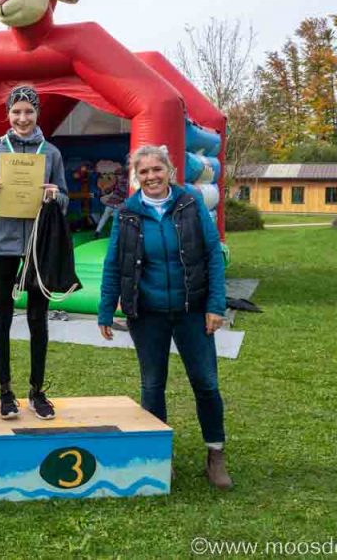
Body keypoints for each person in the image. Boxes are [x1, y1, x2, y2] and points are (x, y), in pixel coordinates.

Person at [97, 145, 232, 489]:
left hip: (193, 311)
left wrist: (216, 305)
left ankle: (215, 454)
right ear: (136, 177)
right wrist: (105, 309)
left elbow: (213, 254)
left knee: (206, 383)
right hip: (147, 314)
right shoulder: (126, 213)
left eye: (157, 169)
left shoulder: (191, 203)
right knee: (152, 385)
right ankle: (159, 458)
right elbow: (113, 264)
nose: (151, 176)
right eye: (143, 172)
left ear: (170, 171)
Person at [0, 85, 69, 420]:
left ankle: (37, 391)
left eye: (29, 111)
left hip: (38, 247)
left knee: (37, 319)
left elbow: (65, 200)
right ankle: (5, 391)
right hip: (3, 246)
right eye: (16, 112)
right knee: (1, 316)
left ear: (37, 113)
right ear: (8, 114)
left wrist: (55, 195)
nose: (23, 118)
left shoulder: (51, 154)